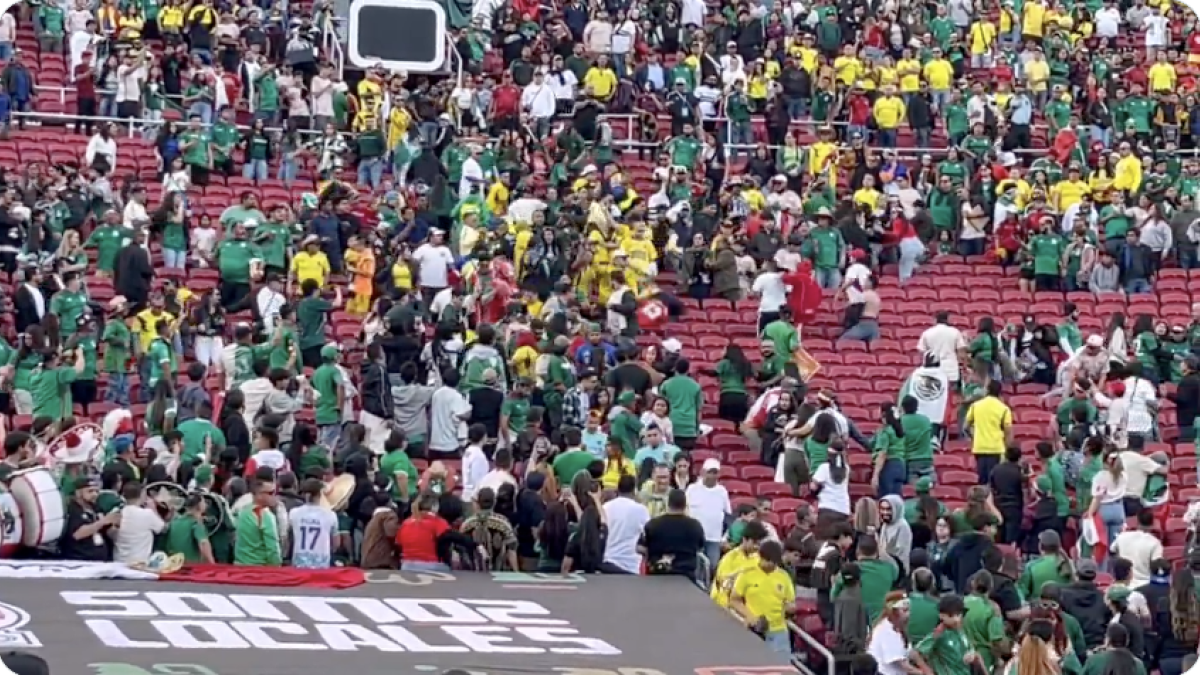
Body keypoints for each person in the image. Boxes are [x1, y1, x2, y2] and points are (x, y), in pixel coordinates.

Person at [729, 539, 796, 654]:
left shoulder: (784, 577)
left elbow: (790, 602)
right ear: (760, 556)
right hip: (754, 630)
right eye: (767, 560)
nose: (770, 564)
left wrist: (791, 607)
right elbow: (734, 600)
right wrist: (750, 616)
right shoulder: (747, 574)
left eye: (773, 562)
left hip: (778, 632)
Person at [640, 488, 705, 581]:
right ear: (685, 505)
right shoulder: (695, 525)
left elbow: (640, 548)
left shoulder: (653, 524)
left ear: (668, 503)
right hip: (686, 577)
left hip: (657, 576)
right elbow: (700, 547)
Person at [686, 457, 731, 568]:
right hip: (695, 536)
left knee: (712, 566)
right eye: (709, 472)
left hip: (714, 536)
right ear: (703, 472)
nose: (712, 476)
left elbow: (727, 514)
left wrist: (724, 537)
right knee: (695, 566)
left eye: (715, 472)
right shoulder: (692, 489)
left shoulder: (722, 491)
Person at [602, 474, 650, 574]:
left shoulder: (605, 507)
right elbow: (648, 534)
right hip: (631, 565)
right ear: (635, 490)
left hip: (607, 561)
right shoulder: (641, 510)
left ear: (617, 489)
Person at [288, 478, 339, 569]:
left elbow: (289, 537)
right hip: (321, 566)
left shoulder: (293, 513)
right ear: (320, 494)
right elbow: (336, 544)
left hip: (299, 564)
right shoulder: (330, 515)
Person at [112, 481, 165, 566]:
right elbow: (163, 529)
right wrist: (154, 509)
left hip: (118, 562)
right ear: (142, 495)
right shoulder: (147, 514)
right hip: (140, 564)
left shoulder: (116, 513)